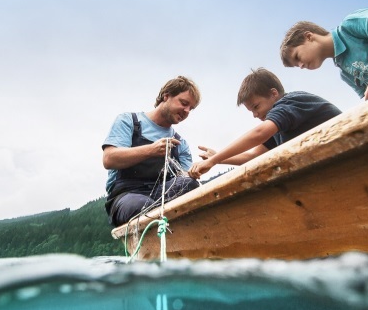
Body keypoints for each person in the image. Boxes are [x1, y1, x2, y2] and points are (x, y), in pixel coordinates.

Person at [188, 68, 341, 179]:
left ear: (274, 94)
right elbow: (254, 155)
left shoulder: (290, 102)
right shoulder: (280, 126)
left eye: (256, 107)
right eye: (251, 111)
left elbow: (259, 133)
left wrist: (213, 160)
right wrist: (218, 158)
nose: (255, 115)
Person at [102, 76, 201, 226]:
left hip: (162, 195)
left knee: (191, 184)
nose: (186, 111)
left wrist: (196, 171)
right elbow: (109, 159)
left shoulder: (180, 143)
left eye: (191, 109)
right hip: (127, 196)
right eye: (184, 103)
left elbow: (185, 177)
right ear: (166, 96)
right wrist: (151, 150)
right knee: (143, 205)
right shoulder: (128, 121)